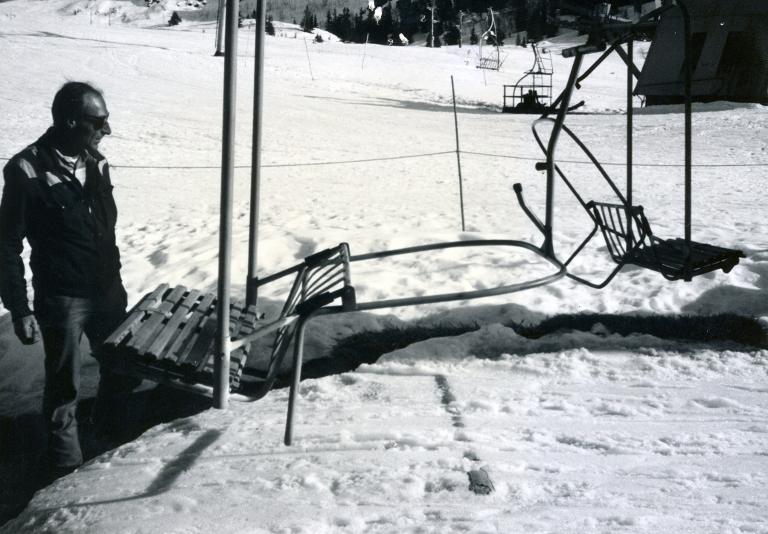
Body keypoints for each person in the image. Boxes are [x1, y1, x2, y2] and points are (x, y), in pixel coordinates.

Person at [0, 82, 140, 478]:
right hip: (62, 299)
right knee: (64, 388)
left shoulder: (97, 162)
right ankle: (65, 471)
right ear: (70, 120)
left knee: (120, 368)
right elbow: (6, 245)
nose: (106, 130)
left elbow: (103, 227)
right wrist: (19, 307)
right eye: (99, 121)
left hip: (108, 291)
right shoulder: (26, 169)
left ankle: (110, 448)